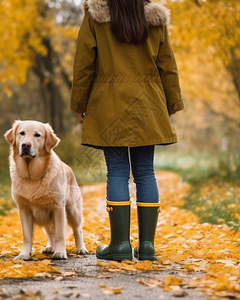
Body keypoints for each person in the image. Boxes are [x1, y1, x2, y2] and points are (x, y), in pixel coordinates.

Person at [70, 0, 184, 261]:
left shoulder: (95, 17)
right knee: (145, 171)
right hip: (148, 103)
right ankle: (147, 246)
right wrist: (172, 102)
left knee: (117, 171)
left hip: (109, 103)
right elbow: (168, 65)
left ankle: (120, 245)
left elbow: (84, 63)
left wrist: (79, 102)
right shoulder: (156, 19)